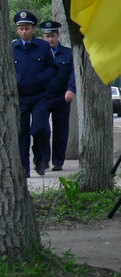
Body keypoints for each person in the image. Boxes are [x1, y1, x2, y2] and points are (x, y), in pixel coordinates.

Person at [12, 10, 57, 177]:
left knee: (39, 128)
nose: (24, 32)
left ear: (33, 29)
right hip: (20, 97)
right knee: (21, 132)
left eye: (27, 28)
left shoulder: (43, 47)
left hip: (40, 96)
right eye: (21, 29)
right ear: (18, 30)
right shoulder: (12, 47)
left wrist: (41, 79)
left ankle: (40, 160)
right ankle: (24, 168)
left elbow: (53, 68)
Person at [40, 20, 76, 171]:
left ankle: (58, 161)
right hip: (42, 97)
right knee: (41, 129)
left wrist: (71, 89)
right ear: (43, 37)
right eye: (47, 36)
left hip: (61, 97)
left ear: (57, 35)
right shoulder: (38, 53)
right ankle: (43, 159)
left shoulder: (68, 53)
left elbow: (73, 73)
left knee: (61, 130)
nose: (50, 39)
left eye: (52, 36)